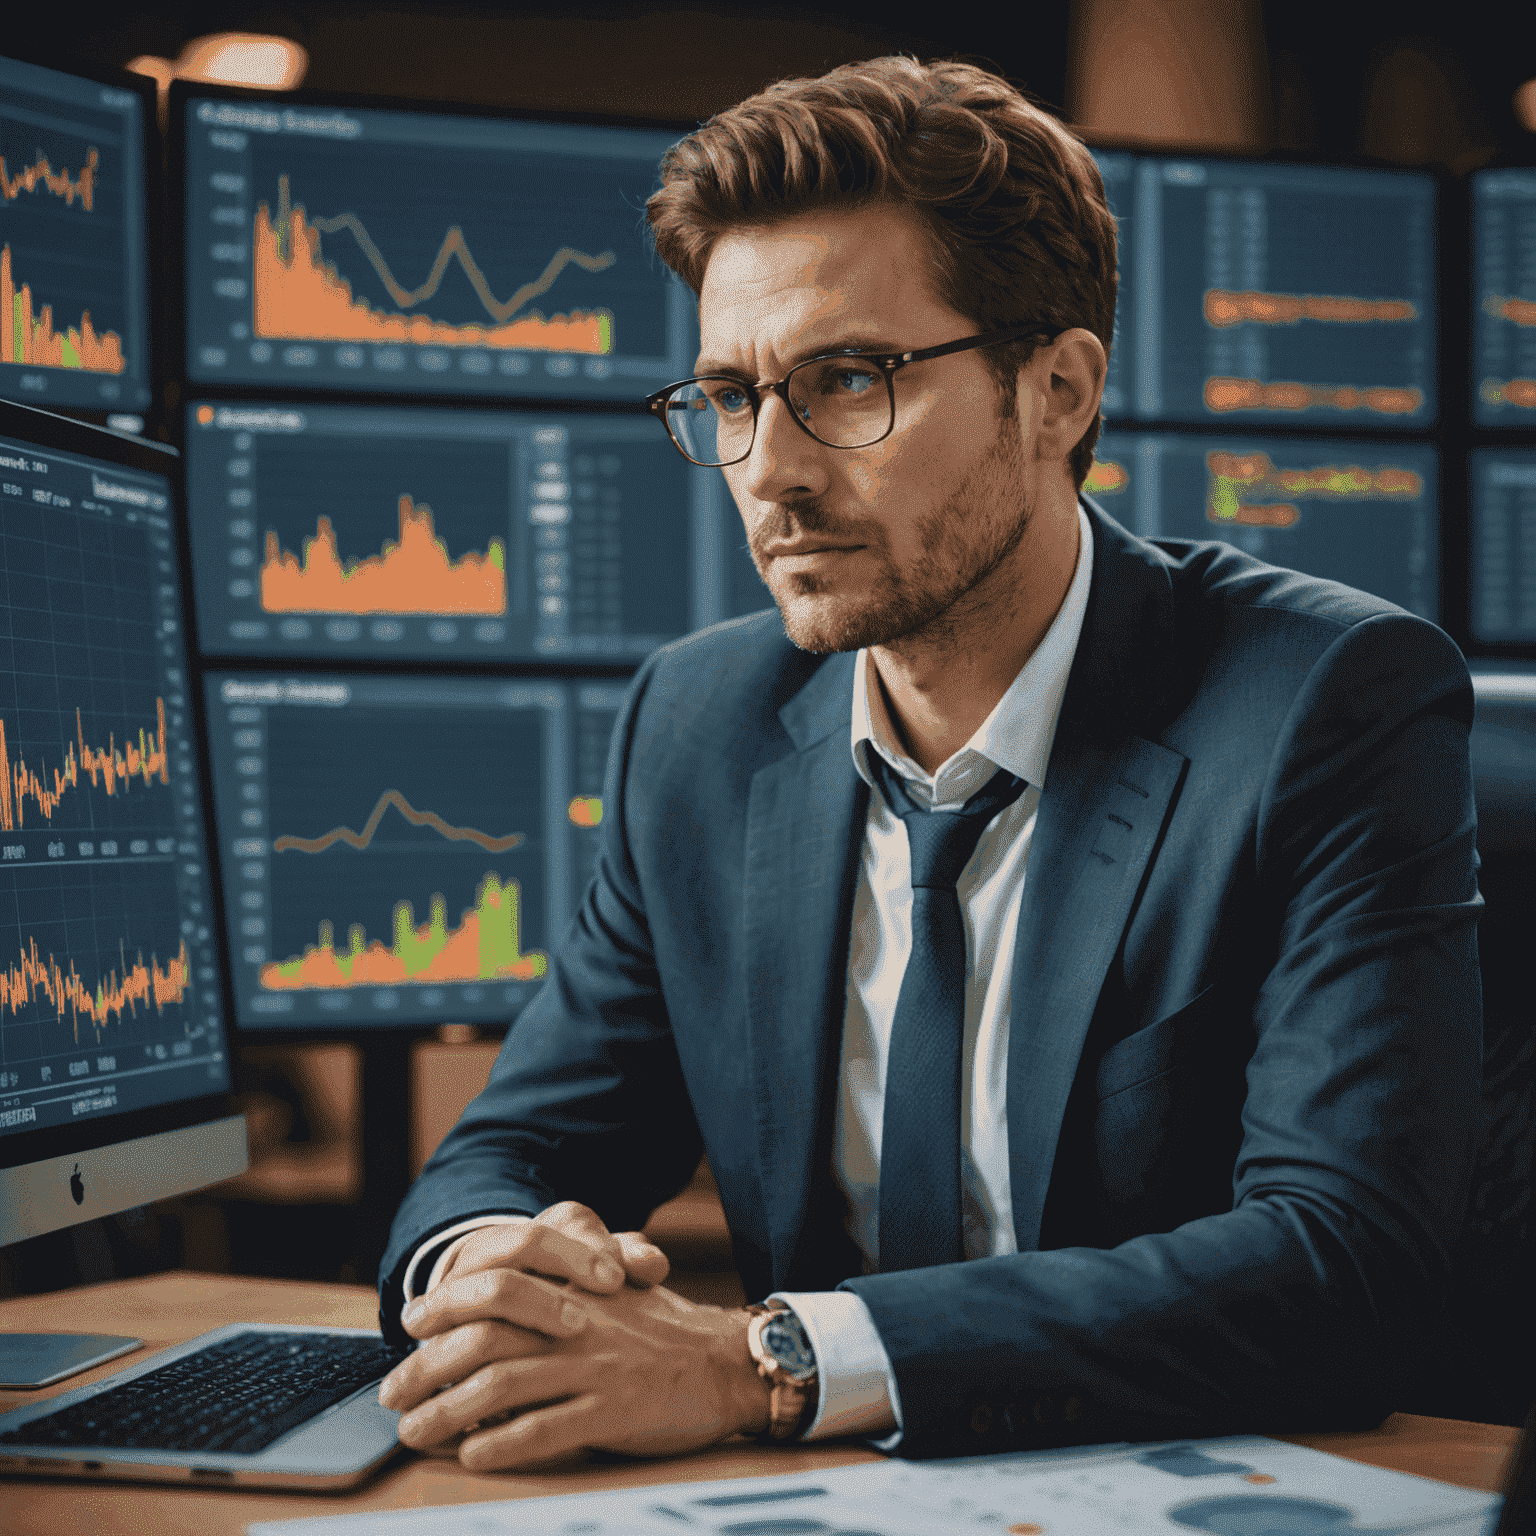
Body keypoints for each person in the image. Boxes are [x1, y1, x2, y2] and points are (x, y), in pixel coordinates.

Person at [375, 56, 1482, 1470]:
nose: (768, 469)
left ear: (1058, 390)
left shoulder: (1328, 703)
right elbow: (512, 1156)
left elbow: (1343, 1267)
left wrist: (762, 1361)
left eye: (846, 381)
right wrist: (491, 1281)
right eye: (729, 394)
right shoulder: (698, 728)